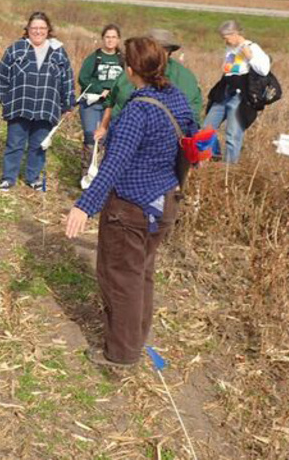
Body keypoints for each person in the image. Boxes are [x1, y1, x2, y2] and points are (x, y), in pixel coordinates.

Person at [64, 36, 196, 368]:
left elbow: (114, 164)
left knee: (120, 278)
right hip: (164, 202)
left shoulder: (137, 111)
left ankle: (121, 354)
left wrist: (84, 205)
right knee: (141, 275)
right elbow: (194, 134)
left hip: (131, 208)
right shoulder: (176, 98)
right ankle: (134, 340)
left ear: (130, 69)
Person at [0, 12, 74, 190]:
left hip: (46, 107)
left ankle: (33, 177)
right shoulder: (16, 49)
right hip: (19, 106)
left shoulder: (58, 52)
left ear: (48, 30)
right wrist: (6, 100)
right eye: (34, 28)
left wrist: (68, 103)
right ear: (27, 30)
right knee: (15, 143)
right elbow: (1, 77)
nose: (38, 31)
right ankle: (8, 178)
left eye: (42, 28)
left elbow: (67, 79)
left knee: (39, 145)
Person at [94, 28, 202, 145]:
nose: (158, 53)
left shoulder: (183, 78)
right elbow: (111, 101)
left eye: (163, 50)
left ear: (170, 52)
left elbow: (191, 116)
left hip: (160, 144)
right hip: (119, 135)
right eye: (154, 49)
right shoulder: (131, 71)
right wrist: (103, 127)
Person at [204, 19, 271, 163]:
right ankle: (212, 157)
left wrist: (250, 56)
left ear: (235, 34)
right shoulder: (229, 48)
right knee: (206, 129)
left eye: (226, 37)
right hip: (224, 92)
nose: (225, 41)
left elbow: (264, 70)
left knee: (232, 135)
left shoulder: (252, 47)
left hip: (240, 96)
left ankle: (228, 170)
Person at [77, 24, 124, 162]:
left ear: (118, 39)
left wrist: (114, 92)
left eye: (114, 37)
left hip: (114, 106)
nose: (110, 40)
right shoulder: (95, 58)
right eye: (107, 37)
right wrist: (100, 89)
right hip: (93, 103)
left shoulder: (123, 60)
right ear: (103, 39)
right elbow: (83, 78)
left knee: (109, 138)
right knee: (91, 135)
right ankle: (87, 173)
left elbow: (129, 81)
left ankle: (102, 171)